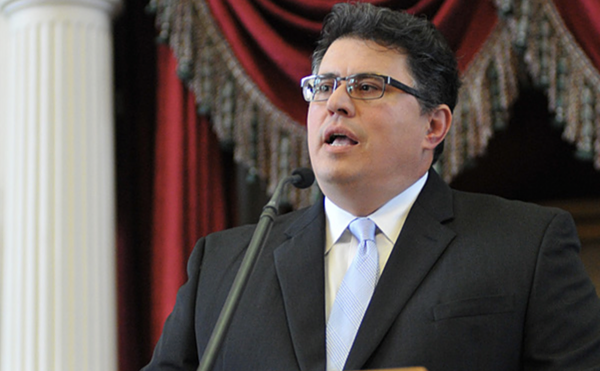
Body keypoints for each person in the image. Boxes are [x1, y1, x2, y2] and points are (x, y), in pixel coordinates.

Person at [142, 3, 600, 371]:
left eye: (366, 86)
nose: (336, 103)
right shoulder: (224, 266)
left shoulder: (525, 246)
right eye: (323, 86)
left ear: (434, 125)